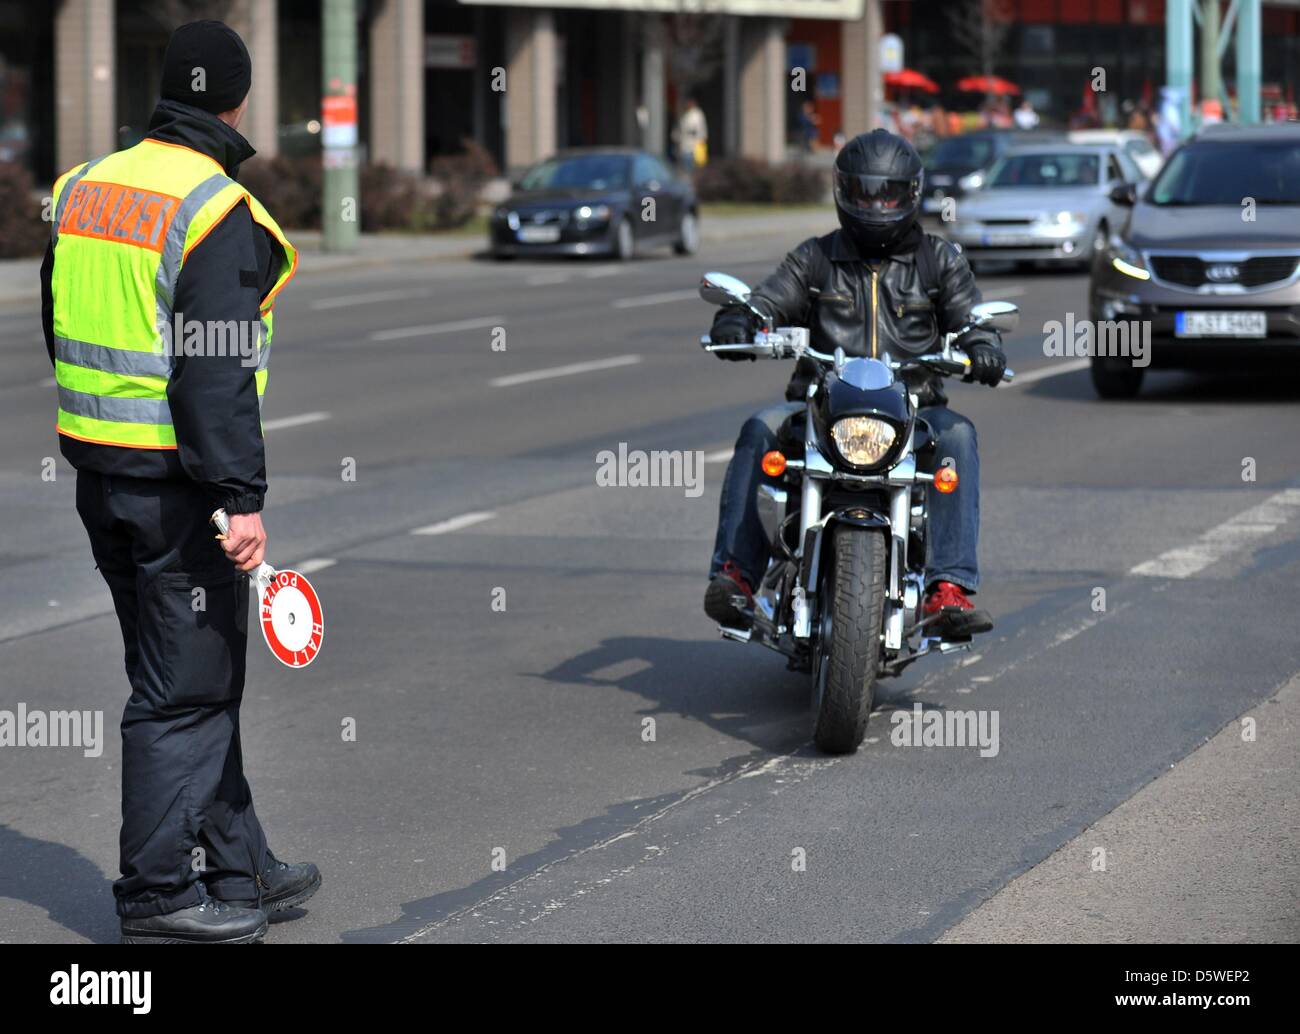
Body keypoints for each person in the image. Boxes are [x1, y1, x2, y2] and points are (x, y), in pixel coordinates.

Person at [40, 20, 318, 944]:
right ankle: (158, 895)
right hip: (177, 488)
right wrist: (241, 498)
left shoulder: (85, 186)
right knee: (185, 692)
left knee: (187, 674)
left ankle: (240, 864)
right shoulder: (213, 208)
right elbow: (214, 373)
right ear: (236, 102)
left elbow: (57, 317)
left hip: (97, 471)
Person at [703, 129, 1006, 639]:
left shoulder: (938, 260)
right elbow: (770, 299)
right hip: (822, 408)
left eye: (887, 193)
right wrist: (742, 319)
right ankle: (738, 576)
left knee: (957, 436)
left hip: (914, 411)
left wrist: (982, 345)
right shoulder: (816, 258)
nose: (875, 204)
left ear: (910, 194)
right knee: (759, 429)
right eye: (865, 193)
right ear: (845, 192)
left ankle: (946, 588)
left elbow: (971, 317)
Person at [676, 98, 708, 172]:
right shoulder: (687, 114)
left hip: (694, 147)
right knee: (688, 168)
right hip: (688, 146)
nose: (687, 105)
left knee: (694, 169)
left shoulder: (696, 114)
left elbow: (694, 129)